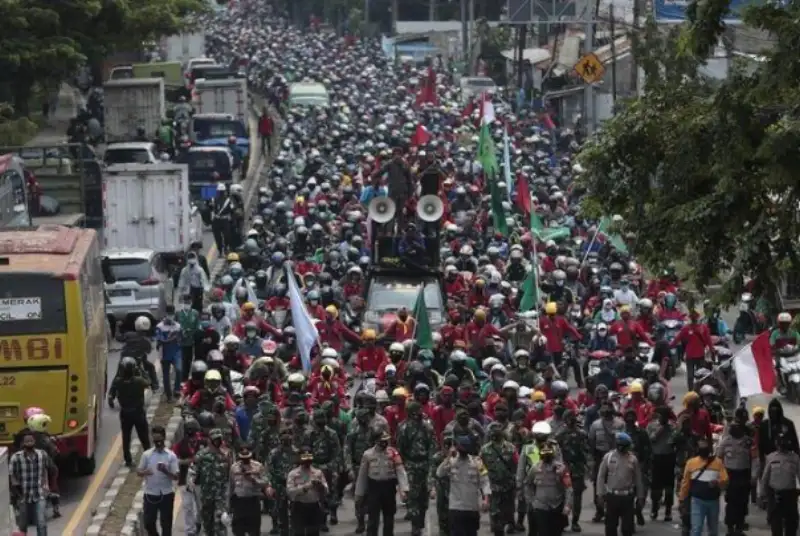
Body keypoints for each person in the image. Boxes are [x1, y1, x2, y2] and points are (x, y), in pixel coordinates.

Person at [355, 430, 409, 536]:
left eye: (386, 440)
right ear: (376, 441)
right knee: (373, 519)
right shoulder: (368, 454)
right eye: (382, 441)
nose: (385, 443)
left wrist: (404, 489)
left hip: (389, 488)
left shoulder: (393, 452)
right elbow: (362, 476)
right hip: (374, 488)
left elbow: (400, 471)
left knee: (389, 518)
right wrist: (359, 494)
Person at [436, 435, 491, 536]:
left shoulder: (477, 462)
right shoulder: (451, 462)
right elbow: (439, 473)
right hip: (456, 508)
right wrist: (448, 456)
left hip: (472, 508)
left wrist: (486, 499)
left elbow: (485, 481)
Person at [596, 432, 645, 536]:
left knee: (627, 529)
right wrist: (600, 494)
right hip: (612, 497)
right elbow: (600, 477)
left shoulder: (633, 459)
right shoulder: (608, 457)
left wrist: (640, 497)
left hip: (627, 498)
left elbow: (638, 480)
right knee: (610, 527)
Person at [678, 438, 728, 536]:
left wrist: (717, 482)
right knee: (696, 529)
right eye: (701, 447)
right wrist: (682, 499)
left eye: (705, 447)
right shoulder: (691, 463)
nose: (704, 449)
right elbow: (685, 483)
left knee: (713, 530)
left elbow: (725, 479)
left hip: (713, 501)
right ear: (698, 449)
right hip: (697, 501)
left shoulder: (717, 462)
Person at [108, 356, 152, 467]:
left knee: (126, 437)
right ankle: (149, 457)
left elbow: (112, 390)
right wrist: (141, 370)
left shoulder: (118, 382)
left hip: (125, 413)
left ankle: (128, 460)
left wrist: (111, 398)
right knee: (144, 437)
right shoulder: (139, 381)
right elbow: (149, 382)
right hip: (138, 412)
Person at [522, 441, 572, 536]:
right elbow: (527, 484)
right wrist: (531, 500)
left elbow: (568, 488)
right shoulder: (535, 468)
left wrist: (568, 505)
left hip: (557, 506)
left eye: (548, 453)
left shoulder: (561, 468)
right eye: (544, 453)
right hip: (541, 506)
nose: (546, 456)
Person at [137, 425, 179, 536]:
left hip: (166, 493)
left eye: (159, 441)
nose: (158, 443)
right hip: (150, 493)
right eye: (155, 441)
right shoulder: (147, 455)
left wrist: (166, 471)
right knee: (148, 522)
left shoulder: (171, 456)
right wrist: (145, 472)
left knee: (166, 524)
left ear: (164, 438)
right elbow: (138, 472)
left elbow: (175, 477)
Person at [759, 432, 800, 536]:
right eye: (780, 443)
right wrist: (762, 495)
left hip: (790, 495)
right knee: (776, 526)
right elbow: (765, 478)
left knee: (791, 525)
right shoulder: (771, 457)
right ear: (776, 444)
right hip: (775, 495)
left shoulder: (795, 458)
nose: (782, 446)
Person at [10, 430, 50, 536]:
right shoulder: (16, 458)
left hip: (39, 494)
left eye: (31, 440)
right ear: (23, 443)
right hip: (23, 497)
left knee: (41, 522)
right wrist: (18, 495)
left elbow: (45, 470)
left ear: (34, 441)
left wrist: (46, 486)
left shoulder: (42, 455)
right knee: (22, 525)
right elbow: (12, 477)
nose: (29, 443)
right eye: (26, 441)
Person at [230, 444, 272, 536]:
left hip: (253, 501)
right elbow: (231, 486)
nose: (245, 460)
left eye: (247, 458)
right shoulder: (234, 467)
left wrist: (254, 480)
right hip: (239, 502)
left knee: (254, 530)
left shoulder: (258, 466)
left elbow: (265, 481)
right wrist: (229, 503)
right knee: (238, 530)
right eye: (243, 458)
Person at [287, 447, 328, 536]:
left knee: (313, 532)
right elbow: (290, 492)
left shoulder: (318, 473)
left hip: (313, 506)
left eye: (309, 459)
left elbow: (326, 491)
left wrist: (320, 486)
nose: (307, 462)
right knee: (299, 532)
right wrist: (305, 487)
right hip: (299, 506)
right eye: (305, 459)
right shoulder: (293, 474)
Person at [155, 306, 182, 401]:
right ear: (166, 314)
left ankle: (177, 389)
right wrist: (171, 338)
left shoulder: (178, 325)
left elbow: (180, 338)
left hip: (176, 352)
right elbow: (160, 340)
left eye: (172, 314)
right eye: (169, 314)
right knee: (166, 375)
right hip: (165, 352)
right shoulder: (160, 326)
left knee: (179, 370)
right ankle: (169, 395)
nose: (170, 316)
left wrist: (178, 337)